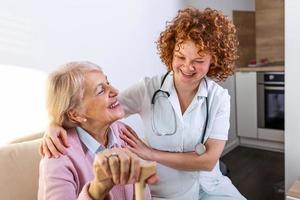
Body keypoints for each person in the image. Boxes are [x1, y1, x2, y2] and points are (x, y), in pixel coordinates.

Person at [40, 8, 246, 200]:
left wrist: (150, 154)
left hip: (211, 186)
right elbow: (98, 109)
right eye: (180, 56)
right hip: (166, 192)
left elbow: (209, 160)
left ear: (214, 61)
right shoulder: (147, 90)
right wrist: (55, 123)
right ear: (171, 52)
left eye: (199, 61)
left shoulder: (218, 97)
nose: (187, 66)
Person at [38, 61, 157, 200]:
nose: (115, 91)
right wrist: (97, 190)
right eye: (101, 90)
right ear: (76, 114)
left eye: (108, 83)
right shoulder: (57, 159)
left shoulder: (123, 134)